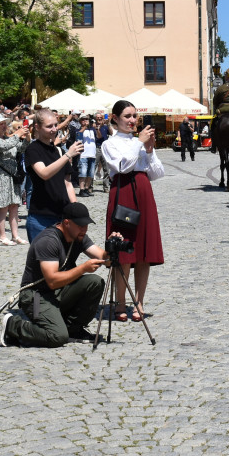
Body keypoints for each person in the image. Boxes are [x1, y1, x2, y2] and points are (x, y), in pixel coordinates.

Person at [1, 202, 117, 347]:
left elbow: (104, 259)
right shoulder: (48, 241)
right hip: (36, 295)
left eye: (86, 225)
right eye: (80, 225)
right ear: (66, 223)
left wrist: (113, 246)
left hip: (59, 291)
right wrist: (82, 269)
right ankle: (13, 325)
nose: (84, 229)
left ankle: (73, 329)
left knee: (95, 282)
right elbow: (52, 281)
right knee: (57, 336)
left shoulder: (79, 236)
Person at [101, 99, 164, 322]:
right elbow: (122, 167)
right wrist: (139, 144)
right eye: (127, 116)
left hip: (144, 193)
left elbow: (157, 173)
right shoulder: (110, 143)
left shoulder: (140, 141)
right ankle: (120, 302)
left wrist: (150, 149)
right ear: (115, 118)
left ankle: (139, 301)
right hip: (124, 193)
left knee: (144, 252)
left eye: (134, 116)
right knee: (124, 249)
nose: (132, 120)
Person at [24, 107, 82, 243]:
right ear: (37, 127)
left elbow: (67, 184)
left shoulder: (58, 151)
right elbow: (44, 173)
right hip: (41, 216)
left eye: (56, 125)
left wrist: (75, 209)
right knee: (43, 261)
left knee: (63, 260)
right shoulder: (33, 149)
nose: (54, 129)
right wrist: (68, 155)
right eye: (49, 126)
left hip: (63, 215)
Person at [0, 114, 28, 245]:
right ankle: (2, 236)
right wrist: (17, 134)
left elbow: (21, 148)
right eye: (1, 124)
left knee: (14, 205)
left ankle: (15, 235)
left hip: (12, 175)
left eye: (5, 123)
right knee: (3, 206)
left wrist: (27, 137)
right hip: (1, 175)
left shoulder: (8, 138)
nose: (5, 126)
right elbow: (4, 147)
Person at [76, 116, 97, 196]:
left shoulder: (92, 130)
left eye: (86, 119)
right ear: (80, 121)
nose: (85, 121)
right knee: (83, 173)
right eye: (83, 119)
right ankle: (81, 190)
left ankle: (86, 189)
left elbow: (99, 137)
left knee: (90, 174)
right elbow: (78, 137)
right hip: (83, 155)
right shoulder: (78, 129)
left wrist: (97, 128)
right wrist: (84, 127)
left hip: (92, 154)